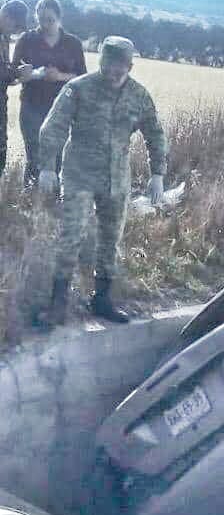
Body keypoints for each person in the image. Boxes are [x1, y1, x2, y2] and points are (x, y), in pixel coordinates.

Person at [35, 36, 167, 328]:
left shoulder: (139, 95)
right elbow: (52, 127)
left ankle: (102, 299)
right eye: (107, 66)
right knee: (71, 235)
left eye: (119, 69)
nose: (112, 74)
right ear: (100, 61)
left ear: (130, 67)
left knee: (110, 240)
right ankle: (58, 304)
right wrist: (46, 167)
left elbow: (155, 134)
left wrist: (157, 173)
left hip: (117, 179)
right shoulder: (78, 89)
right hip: (79, 174)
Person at [13, 0, 86, 185]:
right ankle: (30, 199)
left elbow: (82, 78)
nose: (45, 25)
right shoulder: (27, 40)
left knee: (58, 154)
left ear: (60, 19)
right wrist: (27, 75)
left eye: (50, 20)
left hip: (61, 108)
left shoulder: (73, 44)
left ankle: (53, 202)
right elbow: (12, 73)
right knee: (34, 153)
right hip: (31, 105)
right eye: (41, 20)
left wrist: (60, 76)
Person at [0, 0, 28, 177]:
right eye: (15, 27)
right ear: (7, 17)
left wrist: (13, 74)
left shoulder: (4, 37)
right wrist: (16, 73)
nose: (14, 32)